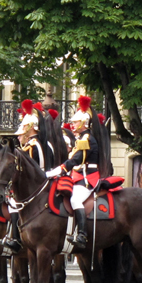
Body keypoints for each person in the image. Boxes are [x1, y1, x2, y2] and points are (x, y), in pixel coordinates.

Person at [46, 95, 100, 249]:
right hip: (78, 176)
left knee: (76, 199)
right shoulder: (81, 138)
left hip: (87, 178)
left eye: (75, 122)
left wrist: (59, 170)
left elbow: (77, 160)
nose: (73, 124)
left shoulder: (86, 139)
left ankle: (82, 234)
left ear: (83, 123)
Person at [1, 99, 51, 253]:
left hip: (36, 182)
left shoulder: (33, 146)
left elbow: (33, 168)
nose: (18, 137)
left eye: (22, 133)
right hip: (35, 180)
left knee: (14, 205)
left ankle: (15, 239)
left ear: (30, 129)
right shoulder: (34, 144)